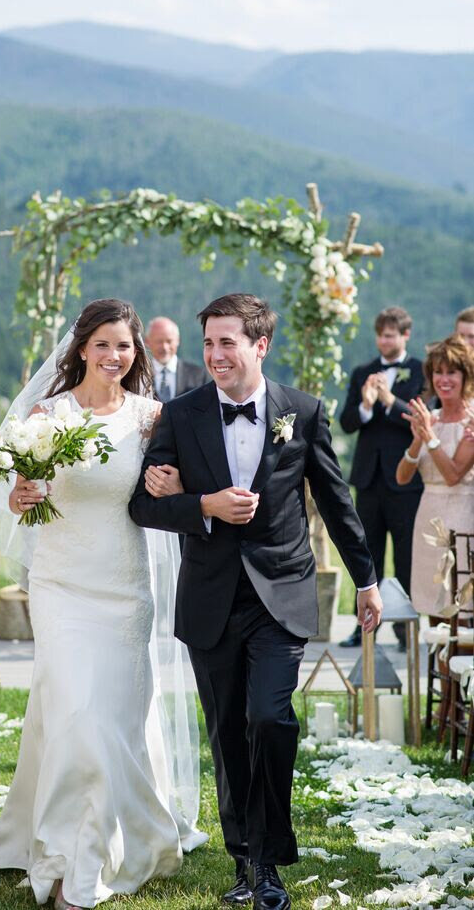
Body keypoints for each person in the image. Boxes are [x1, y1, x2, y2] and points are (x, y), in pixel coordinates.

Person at [130, 292, 382, 910]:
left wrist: (367, 579)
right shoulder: (179, 415)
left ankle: (269, 863)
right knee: (227, 734)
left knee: (269, 719)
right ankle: (246, 864)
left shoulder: (302, 409)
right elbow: (142, 504)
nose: (215, 355)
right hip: (211, 599)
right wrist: (201, 505)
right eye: (209, 343)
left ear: (260, 345)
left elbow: (335, 498)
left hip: (282, 593)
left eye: (227, 343)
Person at [0, 299, 205, 910]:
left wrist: (175, 485)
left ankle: (118, 838)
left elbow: (169, 492)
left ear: (138, 354)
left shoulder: (150, 418)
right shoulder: (45, 414)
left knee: (110, 719)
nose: (114, 355)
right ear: (80, 348)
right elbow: (10, 492)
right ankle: (65, 861)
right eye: (104, 344)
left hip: (125, 585)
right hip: (60, 584)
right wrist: (21, 493)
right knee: (77, 713)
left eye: (125, 346)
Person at [338, 306, 424, 649]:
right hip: (369, 480)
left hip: (405, 480)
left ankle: (405, 630)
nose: (383, 341)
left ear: (405, 336)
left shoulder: (419, 371)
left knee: (406, 555)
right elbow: (346, 422)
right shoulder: (363, 372)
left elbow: (417, 419)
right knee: (367, 552)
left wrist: (389, 401)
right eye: (380, 335)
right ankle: (364, 628)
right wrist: (366, 405)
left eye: (390, 335)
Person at [396, 336, 474, 618]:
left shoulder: (471, 420)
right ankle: (434, 662)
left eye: (451, 372)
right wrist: (418, 440)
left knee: (461, 604)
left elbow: (453, 475)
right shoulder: (432, 418)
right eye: (438, 372)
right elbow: (402, 477)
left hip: (462, 517)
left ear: (465, 375)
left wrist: (430, 438)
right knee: (431, 606)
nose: (444, 379)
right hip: (428, 516)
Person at [146, 315, 206, 402]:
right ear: (147, 342)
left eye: (169, 341)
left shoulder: (198, 375)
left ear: (178, 340)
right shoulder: (138, 375)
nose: (164, 347)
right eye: (159, 342)